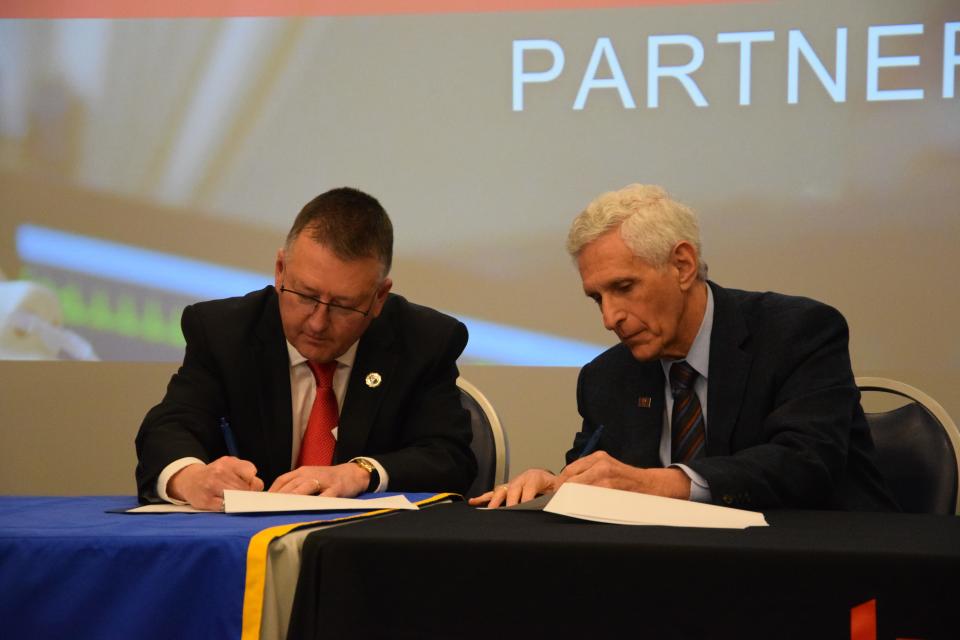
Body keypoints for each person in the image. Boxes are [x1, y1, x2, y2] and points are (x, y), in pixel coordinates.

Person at [472, 183, 897, 511]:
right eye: (597, 297)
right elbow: (596, 471)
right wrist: (555, 483)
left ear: (682, 265)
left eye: (623, 287)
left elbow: (806, 463)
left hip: (817, 573)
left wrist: (662, 483)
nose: (610, 318)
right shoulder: (607, 376)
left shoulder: (798, 332)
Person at [136, 187, 476, 509]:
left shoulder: (425, 341)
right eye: (306, 296)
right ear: (281, 271)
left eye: (343, 306)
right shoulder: (224, 331)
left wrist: (360, 472)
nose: (317, 322)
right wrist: (192, 478)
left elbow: (448, 456)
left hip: (365, 551)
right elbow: (170, 428)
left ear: (379, 298)